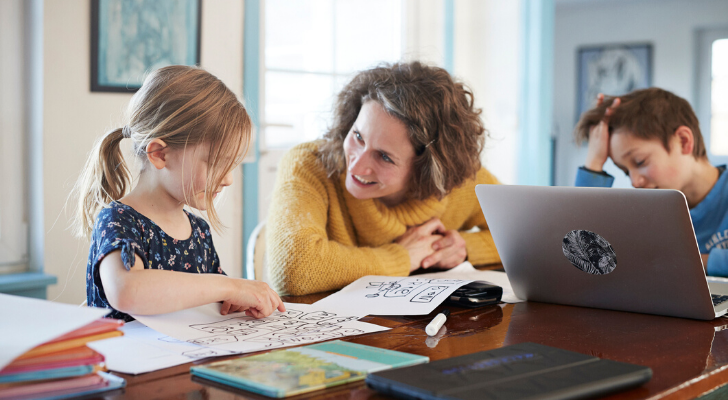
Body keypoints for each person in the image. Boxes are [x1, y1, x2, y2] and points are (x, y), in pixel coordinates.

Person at [266, 61, 502, 296]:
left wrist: (462, 247)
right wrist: (402, 257)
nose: (356, 164)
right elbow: (291, 270)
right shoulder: (309, 163)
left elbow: (531, 237)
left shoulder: (461, 180)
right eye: (358, 136)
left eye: (384, 157)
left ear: (427, 169)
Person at [72, 65, 285, 322]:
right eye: (216, 164)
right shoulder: (117, 221)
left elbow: (213, 304)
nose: (228, 179)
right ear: (159, 154)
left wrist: (237, 300)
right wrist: (230, 287)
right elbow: (127, 291)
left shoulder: (199, 231)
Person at [574, 88, 728, 276]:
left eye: (640, 162)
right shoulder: (648, 209)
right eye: (625, 172)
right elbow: (582, 254)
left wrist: (688, 262)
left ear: (683, 140)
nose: (634, 182)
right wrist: (594, 163)